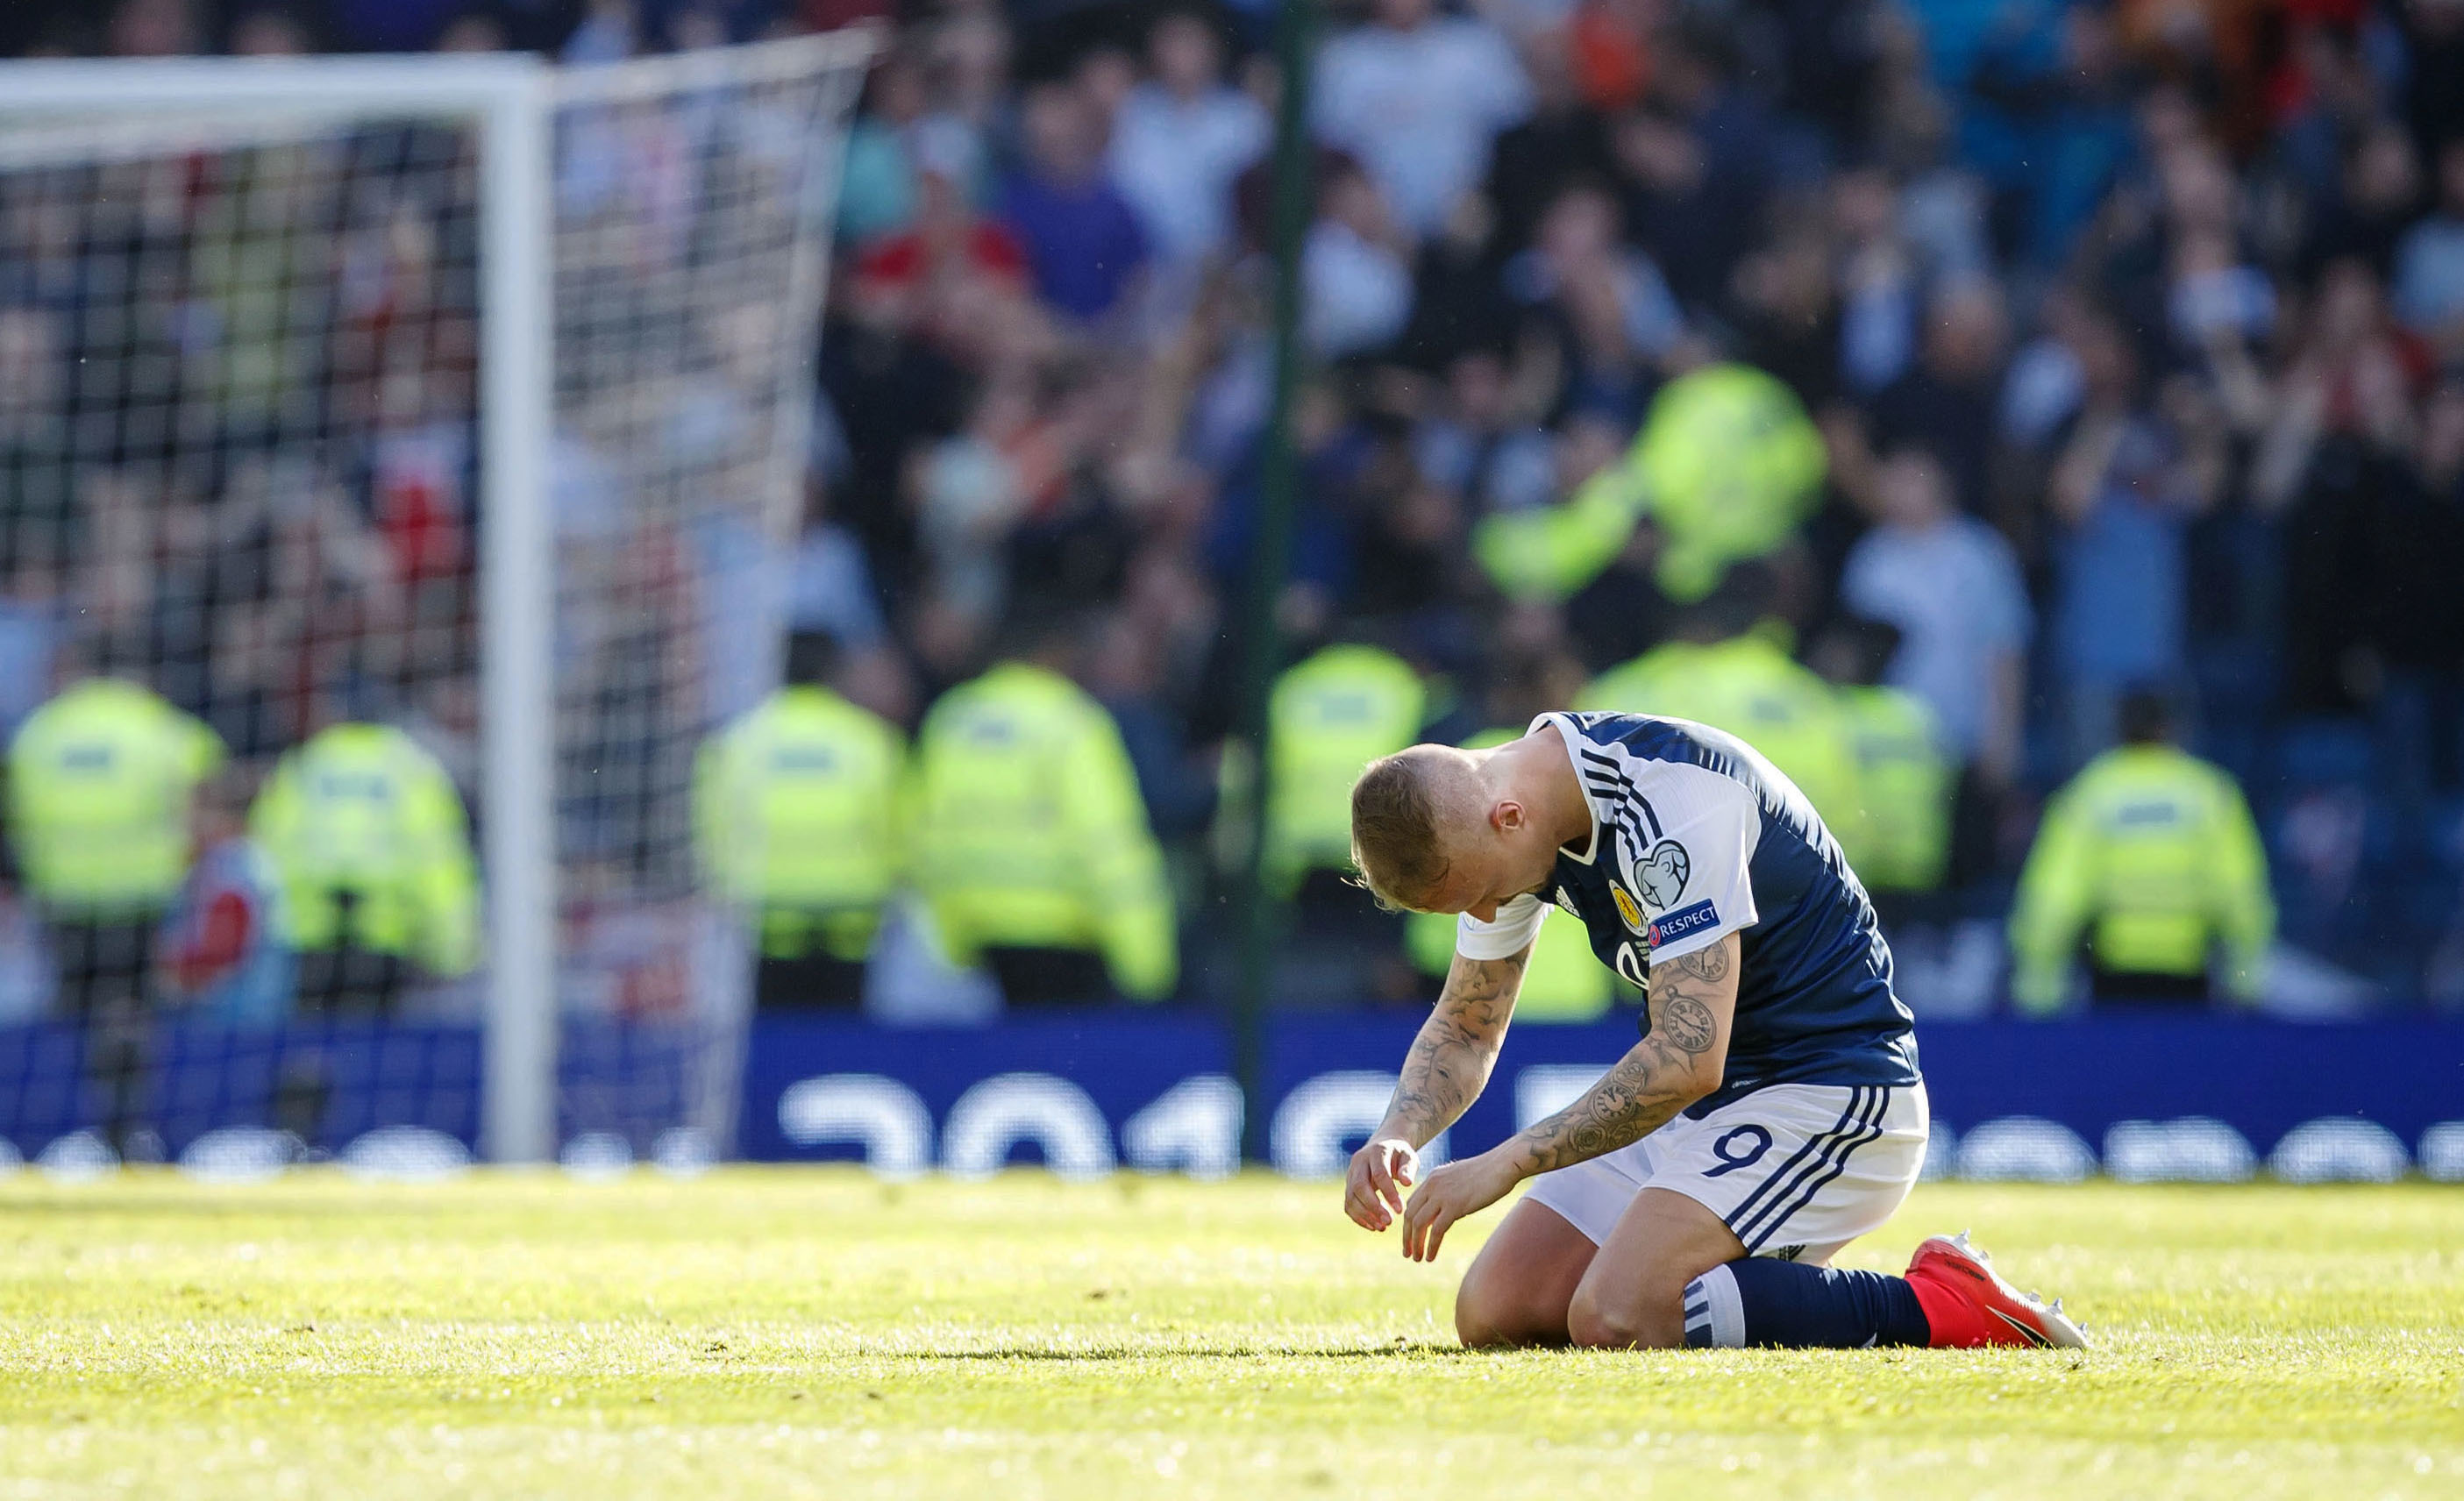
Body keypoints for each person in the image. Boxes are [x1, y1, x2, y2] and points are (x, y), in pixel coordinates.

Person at [1340, 711, 2083, 1350]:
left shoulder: (1673, 801)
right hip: (1704, 1108)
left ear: (1508, 819)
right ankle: (1707, 1273)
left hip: (1829, 1092)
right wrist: (1399, 1131)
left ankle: (1938, 1301)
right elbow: (1470, 1022)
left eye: (1484, 894)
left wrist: (1510, 1160)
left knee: (1620, 1314)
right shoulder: (1506, 821)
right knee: (1498, 1310)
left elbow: (1690, 1055)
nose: (1485, 913)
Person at [8, 665, 225, 1154]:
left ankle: (66, 1136)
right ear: (133, 674)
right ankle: (133, 1130)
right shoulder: (156, 724)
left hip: (63, 898)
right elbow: (207, 778)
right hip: (141, 895)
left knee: (74, 1011)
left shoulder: (43, 729)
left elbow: (15, 806)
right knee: (136, 1012)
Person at [911, 612, 1176, 1007]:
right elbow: (1109, 844)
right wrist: (1147, 965)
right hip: (1062, 942)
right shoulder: (1071, 720)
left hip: (976, 948)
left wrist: (946, 944)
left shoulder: (951, 720)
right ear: (1055, 652)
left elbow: (922, 839)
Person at [2007, 689, 2275, 1012]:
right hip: (2189, 969)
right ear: (2171, 727)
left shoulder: (2090, 793)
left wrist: (2039, 987)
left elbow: (2053, 898)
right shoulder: (2210, 792)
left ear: (2118, 728)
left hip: (2114, 971)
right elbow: (2241, 892)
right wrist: (2245, 978)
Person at [694, 633, 907, 1011]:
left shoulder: (737, 743)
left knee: (775, 1020)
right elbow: (897, 831)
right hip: (850, 915)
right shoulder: (871, 741)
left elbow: (713, 832)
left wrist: (730, 888)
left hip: (769, 913)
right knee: (843, 1029)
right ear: (833, 672)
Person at [249, 717, 481, 1014]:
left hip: (310, 946)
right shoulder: (411, 769)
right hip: (385, 947)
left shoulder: (305, 765)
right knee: (376, 1052)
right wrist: (453, 952)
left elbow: (266, 851)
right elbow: (439, 865)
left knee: (315, 1051)